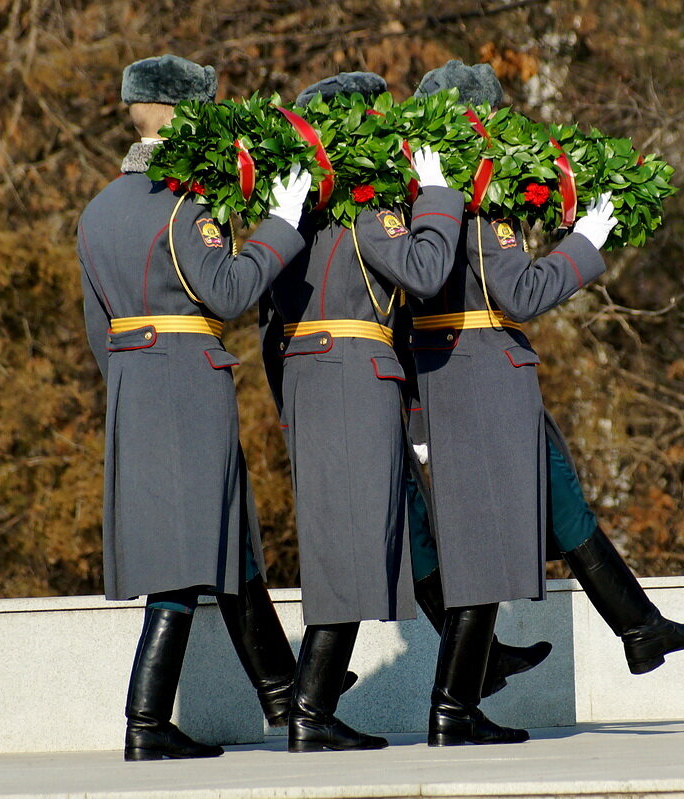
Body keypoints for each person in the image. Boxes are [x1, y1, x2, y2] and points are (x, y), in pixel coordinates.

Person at [408, 61, 684, 692]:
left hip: (472, 376)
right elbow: (519, 294)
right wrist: (587, 243)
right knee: (495, 530)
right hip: (485, 379)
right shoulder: (474, 204)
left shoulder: (420, 198)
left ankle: (639, 628)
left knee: (562, 500)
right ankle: (458, 697)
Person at [78, 54, 312, 761]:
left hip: (135, 382)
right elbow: (232, 289)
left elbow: (97, 328)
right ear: (184, 115)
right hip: (187, 381)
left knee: (227, 538)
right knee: (182, 558)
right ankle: (145, 722)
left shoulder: (97, 210)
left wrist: (132, 387)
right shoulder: (186, 202)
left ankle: (285, 691)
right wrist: (283, 222)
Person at [261, 72, 466, 752]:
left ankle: (311, 708)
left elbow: (269, 330)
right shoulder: (364, 208)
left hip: (312, 382)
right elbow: (426, 269)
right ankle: (310, 713)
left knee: (342, 546)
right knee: (353, 548)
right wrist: (437, 194)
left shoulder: (294, 214)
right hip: (357, 378)